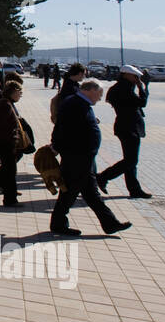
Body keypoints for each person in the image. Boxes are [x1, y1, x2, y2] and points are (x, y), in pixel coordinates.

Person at [50, 80, 132, 237]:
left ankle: (110, 223)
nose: (100, 98)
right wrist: (57, 146)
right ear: (90, 90)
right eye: (99, 94)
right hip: (77, 156)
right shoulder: (75, 104)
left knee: (89, 193)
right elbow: (64, 128)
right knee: (71, 191)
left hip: (81, 157)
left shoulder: (79, 103)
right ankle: (59, 224)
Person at [97, 65, 152, 198]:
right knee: (131, 161)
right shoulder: (124, 89)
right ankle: (103, 177)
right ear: (126, 75)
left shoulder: (120, 88)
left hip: (126, 126)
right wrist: (142, 88)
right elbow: (142, 102)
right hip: (129, 127)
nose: (137, 79)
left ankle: (134, 189)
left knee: (130, 160)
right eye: (135, 76)